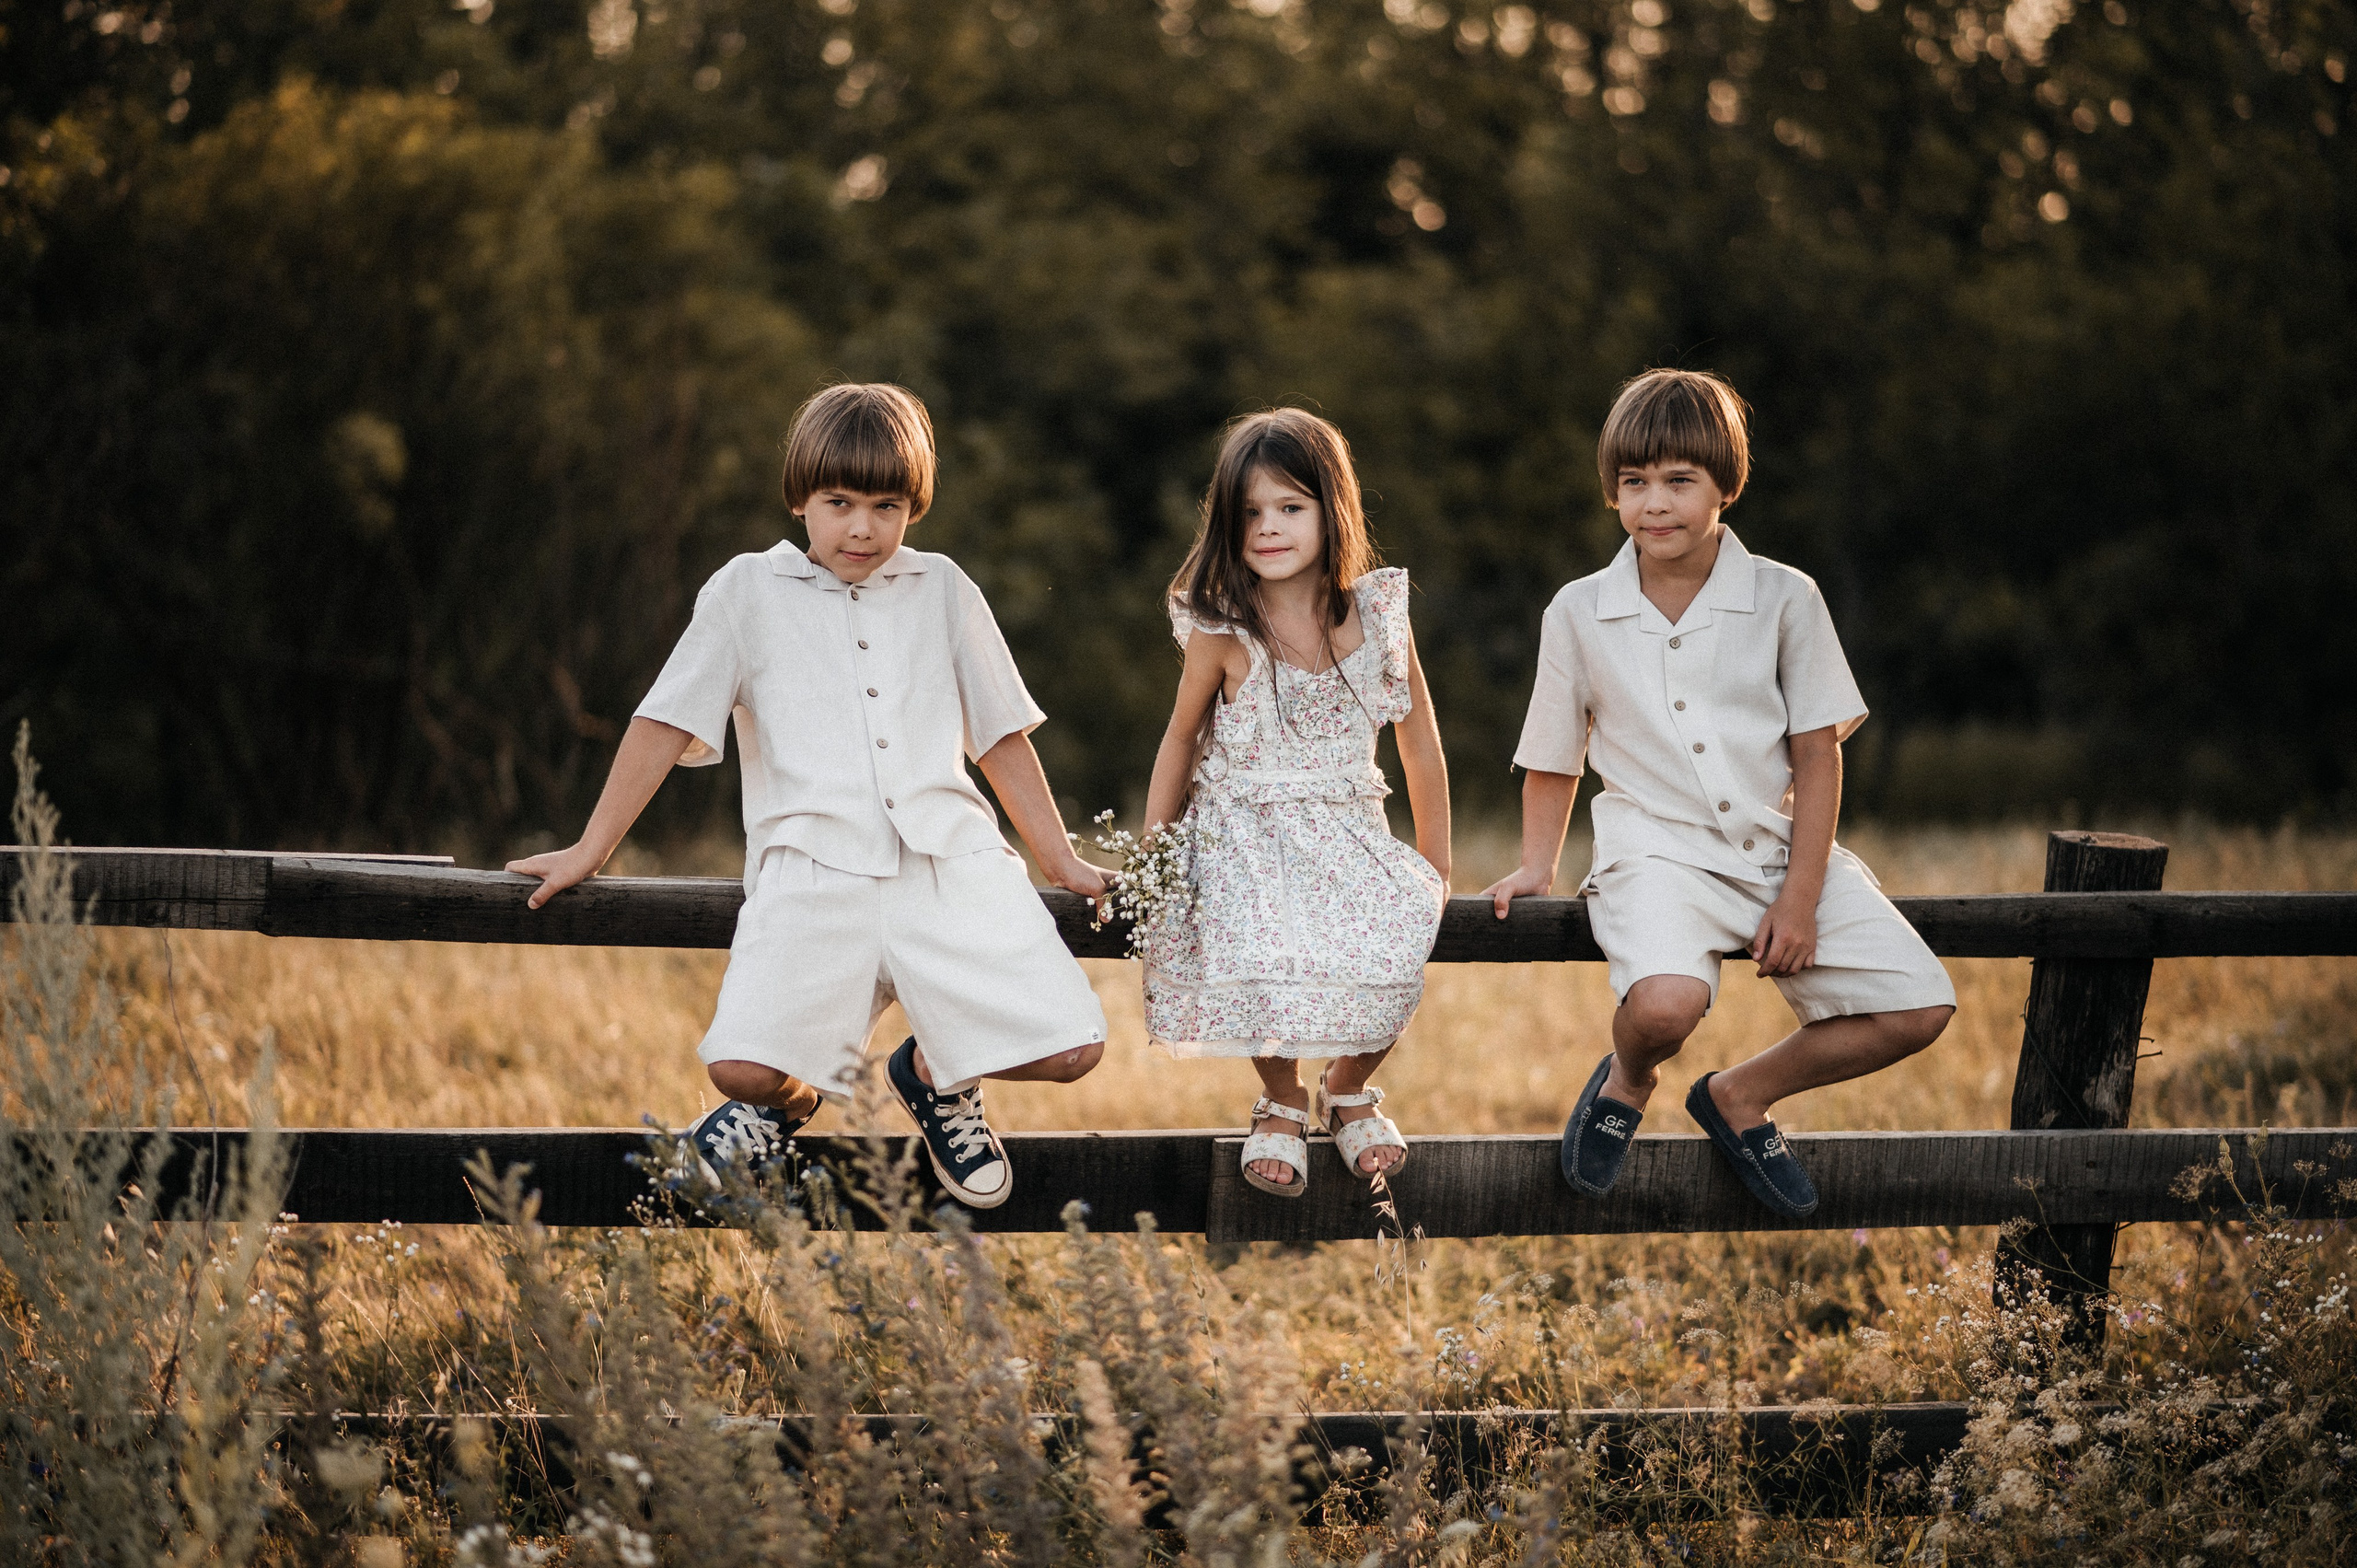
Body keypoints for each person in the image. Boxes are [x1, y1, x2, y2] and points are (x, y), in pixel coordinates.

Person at [507, 382, 1110, 1210]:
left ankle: (935, 1073)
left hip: (951, 866)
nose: (863, 528)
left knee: (1075, 1046)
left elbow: (1001, 735)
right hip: (812, 870)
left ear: (914, 507)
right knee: (741, 1070)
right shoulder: (746, 591)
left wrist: (1061, 858)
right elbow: (663, 721)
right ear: (800, 499)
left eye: (886, 506)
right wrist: (590, 848)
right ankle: (783, 1109)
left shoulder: (944, 588)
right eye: (840, 503)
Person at [1482, 369, 1955, 1218]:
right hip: (1653, 853)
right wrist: (1535, 866)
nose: (1654, 503)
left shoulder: (1785, 596)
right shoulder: (1578, 610)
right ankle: (1628, 1079)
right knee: (1665, 1008)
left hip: (1774, 852)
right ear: (1612, 492)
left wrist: (1800, 897)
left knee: (1920, 1003)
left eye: (1679, 480)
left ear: (1725, 486)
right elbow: (1553, 754)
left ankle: (1740, 1095)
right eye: (1634, 482)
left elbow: (1817, 755)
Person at [1141, 409, 1450, 1198]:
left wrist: (1437, 862)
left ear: (1331, 509)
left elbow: (1418, 741)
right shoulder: (1222, 629)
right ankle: (1281, 1096)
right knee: (1262, 944)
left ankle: (1346, 1086)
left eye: (1290, 506)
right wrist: (1156, 852)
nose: (1269, 527)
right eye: (1250, 512)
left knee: (1402, 935)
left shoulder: (1378, 618)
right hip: (1243, 829)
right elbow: (1180, 737)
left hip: (1349, 826)